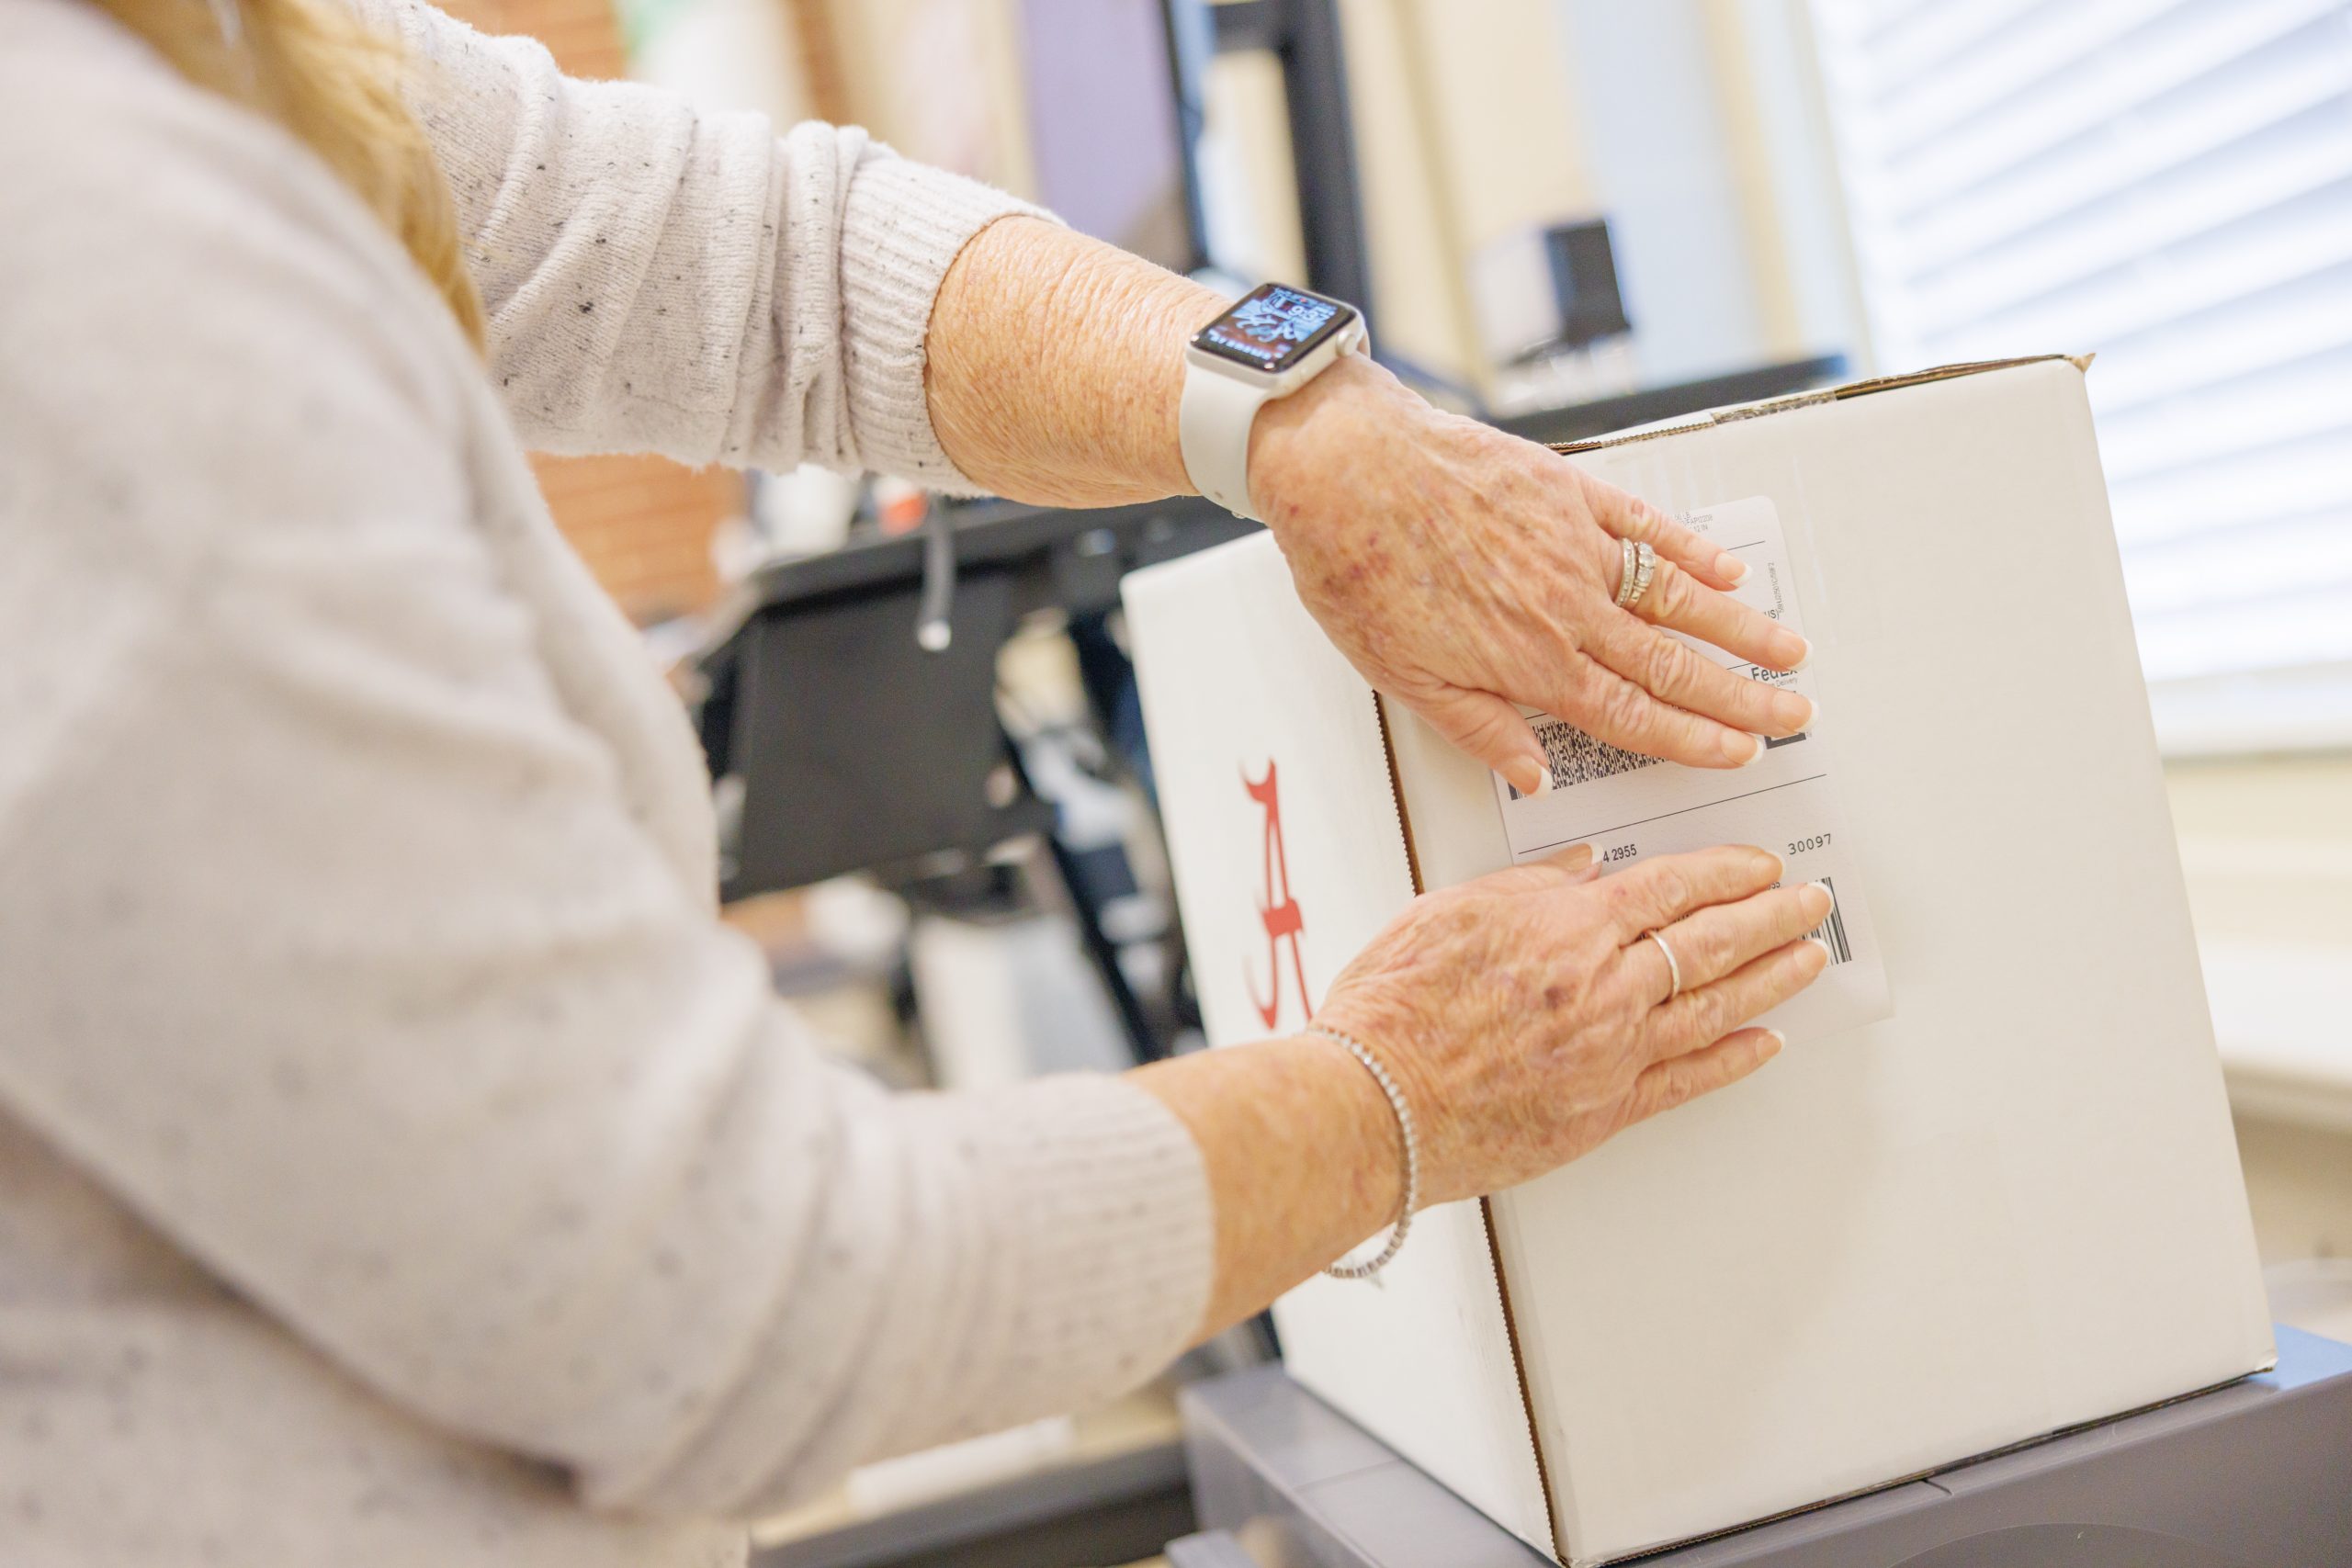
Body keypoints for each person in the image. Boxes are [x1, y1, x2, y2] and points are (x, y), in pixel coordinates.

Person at [0, 0, 1833, 1562]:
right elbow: (721, 1301)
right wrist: (1404, 1094)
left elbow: (740, 255)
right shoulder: (87, 262)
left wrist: (1294, 402)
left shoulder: (210, 60)